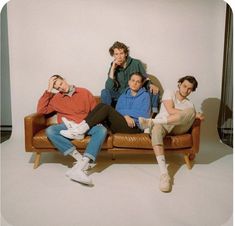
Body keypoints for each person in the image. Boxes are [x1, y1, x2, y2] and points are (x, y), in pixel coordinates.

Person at [37, 75, 107, 186]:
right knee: (50, 130)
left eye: (60, 84)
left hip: (85, 125)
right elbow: (41, 110)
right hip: (67, 126)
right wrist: (49, 89)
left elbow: (96, 111)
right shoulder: (56, 99)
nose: (61, 88)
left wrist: (97, 122)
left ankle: (83, 164)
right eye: (57, 88)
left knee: (102, 130)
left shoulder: (84, 92)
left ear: (64, 80)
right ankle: (80, 160)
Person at [138, 75, 204, 192]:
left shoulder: (190, 105)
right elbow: (170, 110)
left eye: (190, 89)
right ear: (179, 84)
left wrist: (193, 114)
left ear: (192, 91)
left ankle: (151, 122)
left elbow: (194, 116)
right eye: (184, 86)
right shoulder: (169, 92)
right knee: (157, 129)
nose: (186, 90)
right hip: (163, 126)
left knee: (191, 111)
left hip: (178, 129)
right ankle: (164, 175)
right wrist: (193, 115)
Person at [60, 72, 151, 139]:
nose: (134, 83)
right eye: (133, 80)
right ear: (129, 82)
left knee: (107, 108)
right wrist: (126, 116)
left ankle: (80, 130)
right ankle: (80, 128)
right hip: (122, 123)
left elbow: (144, 115)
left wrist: (126, 114)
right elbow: (118, 110)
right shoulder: (124, 95)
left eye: (138, 82)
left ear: (141, 84)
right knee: (102, 105)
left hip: (135, 127)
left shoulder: (145, 96)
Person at [101, 41, 159, 113]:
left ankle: (154, 115)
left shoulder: (136, 63)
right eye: (116, 54)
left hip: (135, 94)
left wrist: (151, 84)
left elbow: (145, 79)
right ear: (114, 55)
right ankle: (107, 114)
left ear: (125, 54)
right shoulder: (113, 66)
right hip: (120, 95)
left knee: (154, 89)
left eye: (121, 53)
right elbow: (108, 88)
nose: (119, 57)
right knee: (104, 92)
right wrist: (113, 67)